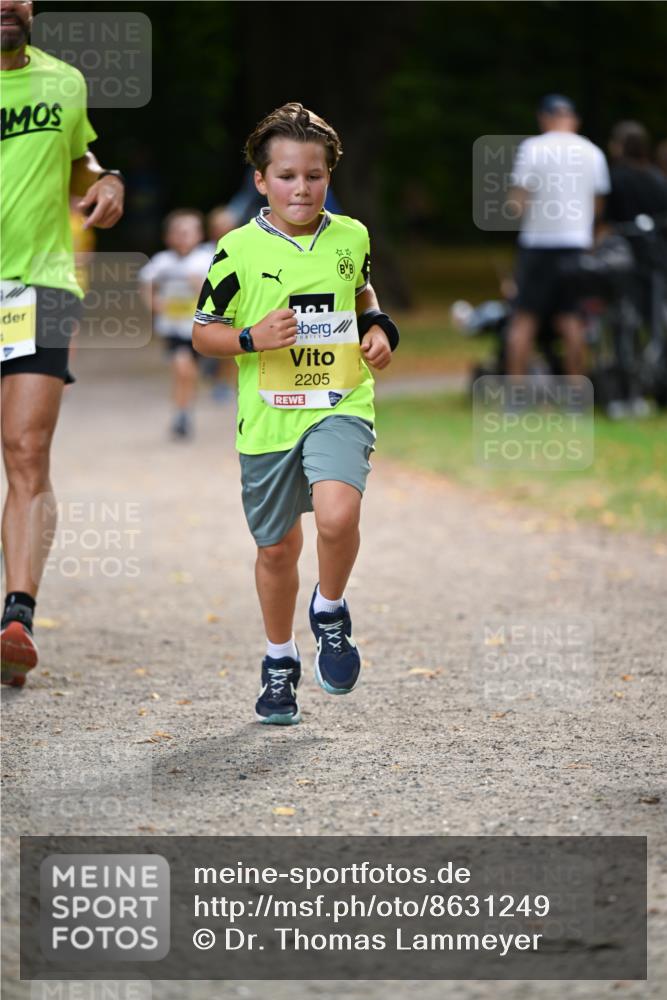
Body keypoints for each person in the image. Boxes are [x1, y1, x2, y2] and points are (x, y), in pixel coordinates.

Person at [192, 102, 399, 725]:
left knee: (338, 515)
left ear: (329, 175)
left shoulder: (351, 235)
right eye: (286, 176)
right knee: (278, 549)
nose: (301, 188)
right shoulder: (235, 250)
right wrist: (252, 337)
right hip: (268, 417)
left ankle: (330, 610)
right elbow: (204, 333)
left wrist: (380, 327)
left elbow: (361, 293)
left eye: (313, 175)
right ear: (261, 180)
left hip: (339, 399)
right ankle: (279, 660)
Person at [1, 0, 124, 686]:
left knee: (26, 448)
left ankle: (15, 617)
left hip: (37, 286)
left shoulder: (63, 82)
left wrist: (104, 182)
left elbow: (79, 158)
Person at [505, 94, 610, 380]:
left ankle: (516, 392)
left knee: (525, 319)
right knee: (572, 320)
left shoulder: (533, 149)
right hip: (576, 246)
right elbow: (598, 207)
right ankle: (577, 391)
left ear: (544, 118)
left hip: (537, 245)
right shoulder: (593, 152)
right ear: (573, 119)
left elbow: (517, 203)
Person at [139, 209, 210, 438]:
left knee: (188, 372)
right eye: (178, 232)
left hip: (198, 328)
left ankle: (184, 409)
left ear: (199, 235)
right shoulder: (162, 262)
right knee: (182, 368)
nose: (183, 237)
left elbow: (218, 296)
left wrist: (199, 286)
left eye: (188, 232)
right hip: (173, 328)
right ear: (168, 237)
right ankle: (182, 413)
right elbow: (145, 284)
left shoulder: (206, 259)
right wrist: (154, 304)